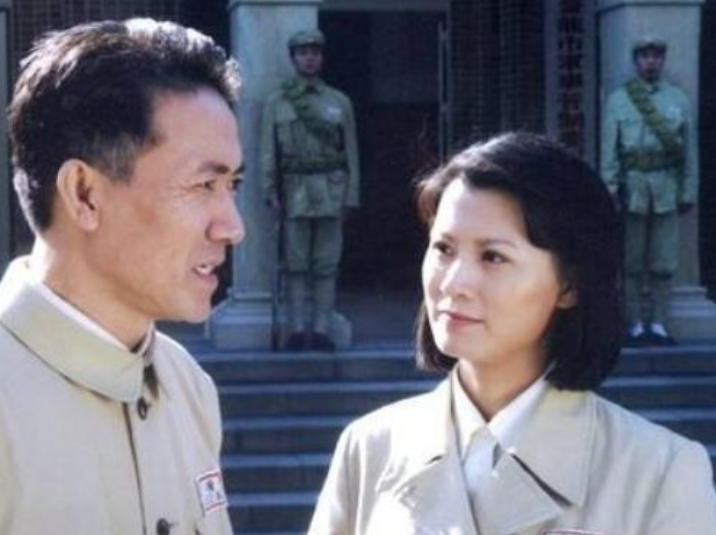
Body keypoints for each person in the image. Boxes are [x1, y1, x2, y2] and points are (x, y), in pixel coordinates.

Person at [308, 133, 716, 534]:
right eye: (444, 249)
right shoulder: (370, 448)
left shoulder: (660, 473)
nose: (454, 283)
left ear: (570, 284)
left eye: (493, 257)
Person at [0, 19, 244, 534]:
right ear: (85, 194)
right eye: (204, 185)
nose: (233, 227)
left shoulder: (189, 387)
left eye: (233, 186)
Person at [260, 28, 360, 351]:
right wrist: (270, 191)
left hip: (332, 191)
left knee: (327, 264)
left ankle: (321, 330)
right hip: (295, 192)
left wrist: (351, 195)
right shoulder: (277, 102)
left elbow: (351, 152)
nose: (309, 58)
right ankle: (297, 330)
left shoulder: (339, 102)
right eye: (303, 53)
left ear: (322, 58)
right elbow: (268, 151)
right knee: (295, 265)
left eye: (315, 53)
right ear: (293, 59)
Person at [601, 36, 697, 346]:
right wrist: (610, 188)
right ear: (636, 61)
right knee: (631, 262)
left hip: (667, 189)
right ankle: (634, 324)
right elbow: (609, 150)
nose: (651, 62)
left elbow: (689, 151)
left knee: (664, 263)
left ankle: (659, 324)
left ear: (663, 60)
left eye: (657, 56)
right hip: (632, 190)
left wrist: (688, 190)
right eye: (645, 56)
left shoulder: (678, 100)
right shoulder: (619, 100)